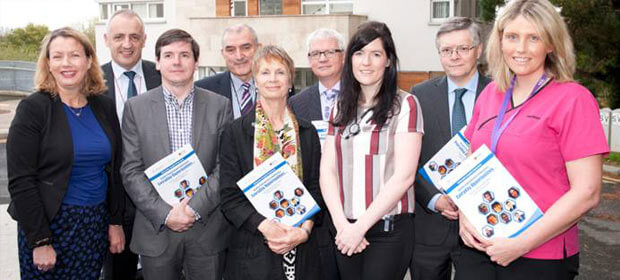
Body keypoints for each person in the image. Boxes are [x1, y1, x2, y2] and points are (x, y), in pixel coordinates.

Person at [457, 0, 609, 279]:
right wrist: (465, 218)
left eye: (534, 38)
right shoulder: (491, 94)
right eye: (512, 37)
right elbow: (472, 163)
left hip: (540, 254)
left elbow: (587, 192)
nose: (521, 48)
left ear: (551, 44)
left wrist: (520, 243)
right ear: (500, 41)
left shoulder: (573, 99)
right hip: (479, 247)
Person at [6, 27, 124, 279]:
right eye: (57, 56)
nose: (66, 63)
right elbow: (21, 181)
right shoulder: (33, 109)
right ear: (48, 63)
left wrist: (115, 221)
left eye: (74, 55)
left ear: (89, 60)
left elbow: (115, 170)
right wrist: (40, 241)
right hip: (50, 224)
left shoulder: (103, 105)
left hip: (94, 224)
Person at [121, 28, 233, 279]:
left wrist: (193, 209)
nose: (177, 61)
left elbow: (225, 166)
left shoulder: (219, 106)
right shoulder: (135, 108)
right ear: (157, 63)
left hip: (207, 230)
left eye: (184, 55)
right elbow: (130, 170)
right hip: (156, 230)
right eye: (169, 55)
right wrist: (166, 213)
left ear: (195, 62)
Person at [319, 21, 424, 280]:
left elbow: (404, 176)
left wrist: (361, 227)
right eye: (359, 53)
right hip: (344, 229)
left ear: (388, 61)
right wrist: (342, 224)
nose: (366, 62)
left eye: (375, 54)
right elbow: (328, 170)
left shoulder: (406, 105)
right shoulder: (340, 107)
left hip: (388, 231)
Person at [220, 45, 323, 280]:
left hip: (302, 249)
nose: (273, 79)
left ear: (290, 80)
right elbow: (229, 197)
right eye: (265, 72)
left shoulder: (308, 132)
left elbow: (317, 189)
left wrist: (304, 231)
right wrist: (268, 228)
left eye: (280, 71)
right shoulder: (235, 132)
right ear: (255, 80)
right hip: (253, 247)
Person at [410, 17, 491, 280]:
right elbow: (410, 159)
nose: (454, 56)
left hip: (484, 222)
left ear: (478, 51)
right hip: (430, 225)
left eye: (463, 49)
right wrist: (434, 199)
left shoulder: (501, 93)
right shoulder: (418, 96)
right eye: (446, 50)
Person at [100, 9, 162, 279]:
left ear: (144, 39)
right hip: (112, 199)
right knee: (118, 272)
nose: (127, 44)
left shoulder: (162, 74)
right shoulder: (91, 82)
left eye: (134, 36)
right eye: (119, 37)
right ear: (106, 39)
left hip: (159, 193)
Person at [288, 27, 346, 280]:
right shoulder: (297, 103)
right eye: (315, 53)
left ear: (343, 56)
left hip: (354, 205)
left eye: (329, 52)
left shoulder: (363, 96)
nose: (322, 58)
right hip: (315, 209)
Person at [195, 24, 261, 119]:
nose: (239, 56)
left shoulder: (280, 87)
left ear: (258, 48)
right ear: (223, 54)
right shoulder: (202, 90)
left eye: (246, 48)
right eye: (231, 50)